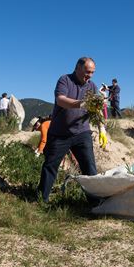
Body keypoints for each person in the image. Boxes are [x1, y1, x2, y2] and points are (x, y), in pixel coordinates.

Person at [38, 57, 106, 203]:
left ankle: (96, 204)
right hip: (59, 134)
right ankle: (40, 200)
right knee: (50, 166)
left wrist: (102, 129)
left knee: (89, 169)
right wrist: (81, 104)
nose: (90, 75)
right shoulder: (65, 80)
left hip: (82, 133)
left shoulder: (92, 86)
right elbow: (60, 100)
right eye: (88, 72)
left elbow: (97, 108)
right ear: (78, 68)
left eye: (93, 72)